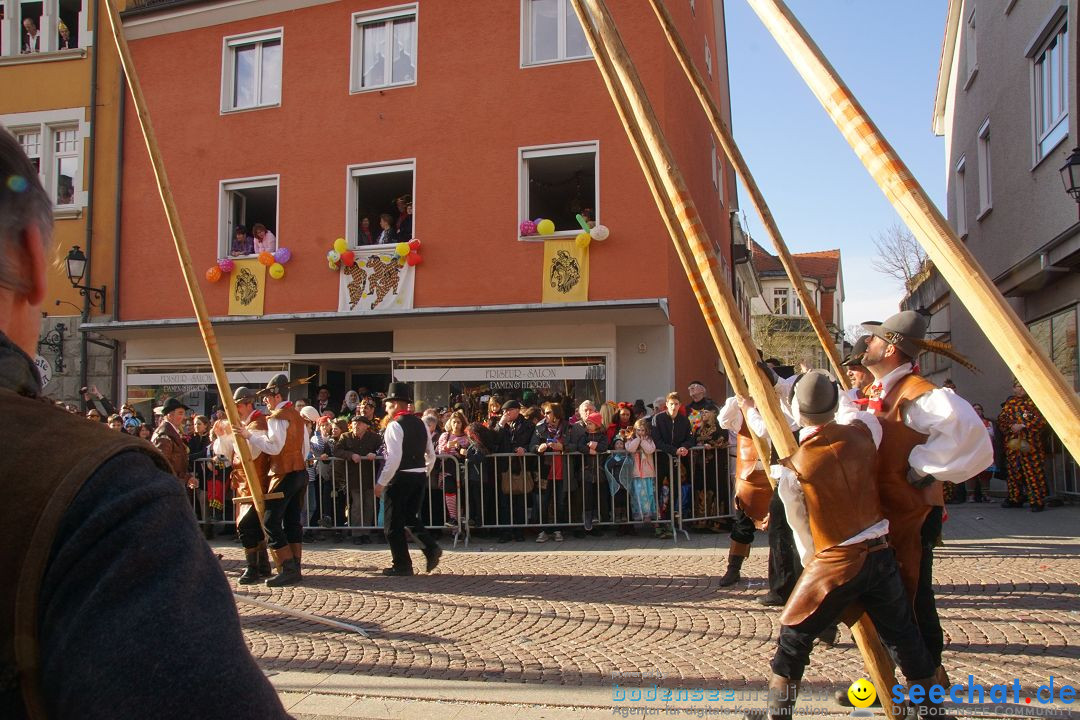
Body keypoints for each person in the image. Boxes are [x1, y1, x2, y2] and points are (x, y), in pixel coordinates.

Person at [0, 128, 289, 716]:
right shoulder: (98, 490)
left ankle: (272, 566)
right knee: (260, 530)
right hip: (201, 491)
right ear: (36, 257)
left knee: (272, 529)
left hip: (229, 484)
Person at [763, 371, 942, 720]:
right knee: (904, 637)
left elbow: (801, 529)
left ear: (798, 412)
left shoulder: (794, 468)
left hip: (835, 561)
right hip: (880, 551)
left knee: (794, 637)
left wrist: (812, 568)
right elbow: (849, 409)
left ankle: (777, 716)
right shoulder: (864, 433)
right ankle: (932, 713)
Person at [859, 310, 992, 684]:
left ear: (890, 349)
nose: (866, 343)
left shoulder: (920, 394)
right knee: (886, 592)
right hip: (887, 509)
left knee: (912, 592)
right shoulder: (883, 390)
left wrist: (924, 466)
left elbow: (971, 435)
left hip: (910, 512)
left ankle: (928, 675)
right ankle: (891, 676)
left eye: (873, 339)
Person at [235, 374, 311, 586]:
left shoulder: (279, 417)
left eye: (268, 397)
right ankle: (295, 565)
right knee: (293, 520)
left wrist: (250, 436)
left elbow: (274, 447)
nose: (266, 401)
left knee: (270, 521)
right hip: (299, 472)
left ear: (277, 396)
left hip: (284, 473)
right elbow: (305, 449)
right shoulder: (297, 416)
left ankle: (288, 568)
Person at [374, 382, 442, 576]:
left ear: (395, 404)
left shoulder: (394, 426)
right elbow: (432, 454)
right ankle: (430, 548)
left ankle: (402, 565)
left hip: (400, 478)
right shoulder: (421, 423)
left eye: (387, 404)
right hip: (418, 476)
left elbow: (393, 458)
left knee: (391, 525)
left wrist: (381, 483)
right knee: (410, 518)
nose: (385, 408)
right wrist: (423, 472)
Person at [211, 387, 272, 584]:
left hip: (258, 480)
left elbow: (251, 453)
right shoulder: (242, 423)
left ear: (248, 404)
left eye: (237, 406)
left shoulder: (258, 422)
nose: (234, 411)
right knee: (249, 524)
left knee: (248, 524)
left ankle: (253, 567)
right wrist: (222, 435)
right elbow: (227, 456)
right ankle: (261, 565)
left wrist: (233, 434)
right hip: (242, 481)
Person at [998, 378, 1048, 511]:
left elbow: (1041, 421)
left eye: (1023, 387)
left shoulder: (1034, 403)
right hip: (1013, 446)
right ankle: (1015, 498)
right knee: (1014, 473)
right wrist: (1011, 426)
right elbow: (1001, 421)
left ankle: (1036, 501)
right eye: (1018, 387)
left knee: (1033, 473)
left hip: (1031, 445)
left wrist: (1024, 425)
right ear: (1014, 389)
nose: (1021, 389)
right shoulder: (1009, 404)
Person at [334, 415, 382, 544]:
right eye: (354, 423)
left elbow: (382, 449)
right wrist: (350, 455)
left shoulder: (375, 437)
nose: (356, 426)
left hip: (370, 477)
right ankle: (356, 533)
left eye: (359, 424)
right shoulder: (345, 437)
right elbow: (337, 450)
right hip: (353, 477)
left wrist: (376, 454)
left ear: (366, 426)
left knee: (369, 505)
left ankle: (365, 532)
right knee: (356, 506)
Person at [152, 397, 196, 491]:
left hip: (172, 483)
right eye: (180, 413)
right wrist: (185, 478)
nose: (184, 417)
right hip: (168, 485)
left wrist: (187, 477)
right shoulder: (164, 434)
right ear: (169, 415)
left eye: (183, 413)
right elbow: (163, 464)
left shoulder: (170, 431)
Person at [966, 403, 995, 503]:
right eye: (974, 409)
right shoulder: (968, 422)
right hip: (972, 453)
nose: (977, 411)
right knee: (971, 474)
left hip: (986, 453)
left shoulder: (989, 423)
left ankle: (986, 495)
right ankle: (971, 495)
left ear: (982, 411)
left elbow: (992, 436)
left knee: (986, 475)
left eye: (979, 409)